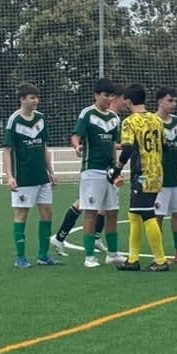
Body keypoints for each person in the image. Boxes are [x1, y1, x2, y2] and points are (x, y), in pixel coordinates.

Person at [111, 85, 169, 272]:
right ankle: (133, 259)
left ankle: (160, 261)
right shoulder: (157, 120)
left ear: (128, 100)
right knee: (134, 214)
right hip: (156, 172)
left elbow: (127, 148)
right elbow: (165, 146)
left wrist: (117, 168)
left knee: (147, 214)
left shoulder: (129, 122)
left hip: (142, 173)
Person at [3, 83, 58, 268]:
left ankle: (43, 256)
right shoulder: (14, 121)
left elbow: (44, 146)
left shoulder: (41, 118)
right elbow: (7, 151)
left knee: (47, 213)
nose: (36, 101)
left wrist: (51, 171)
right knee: (21, 215)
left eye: (37, 97)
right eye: (32, 97)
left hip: (41, 176)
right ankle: (20, 257)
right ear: (22, 99)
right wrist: (10, 176)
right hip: (23, 177)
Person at [70, 78, 123, 268]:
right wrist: (77, 147)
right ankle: (89, 256)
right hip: (91, 170)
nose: (109, 99)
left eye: (111, 96)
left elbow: (113, 145)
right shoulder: (88, 114)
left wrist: (116, 167)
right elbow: (76, 135)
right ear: (96, 95)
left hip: (109, 172)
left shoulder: (115, 118)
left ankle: (113, 253)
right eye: (105, 95)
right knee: (91, 213)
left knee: (113, 212)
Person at [153, 88, 177, 265]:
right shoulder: (152, 121)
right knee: (158, 216)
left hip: (173, 175)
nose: (173, 104)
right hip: (158, 177)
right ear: (160, 102)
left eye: (175, 101)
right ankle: (158, 253)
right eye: (170, 100)